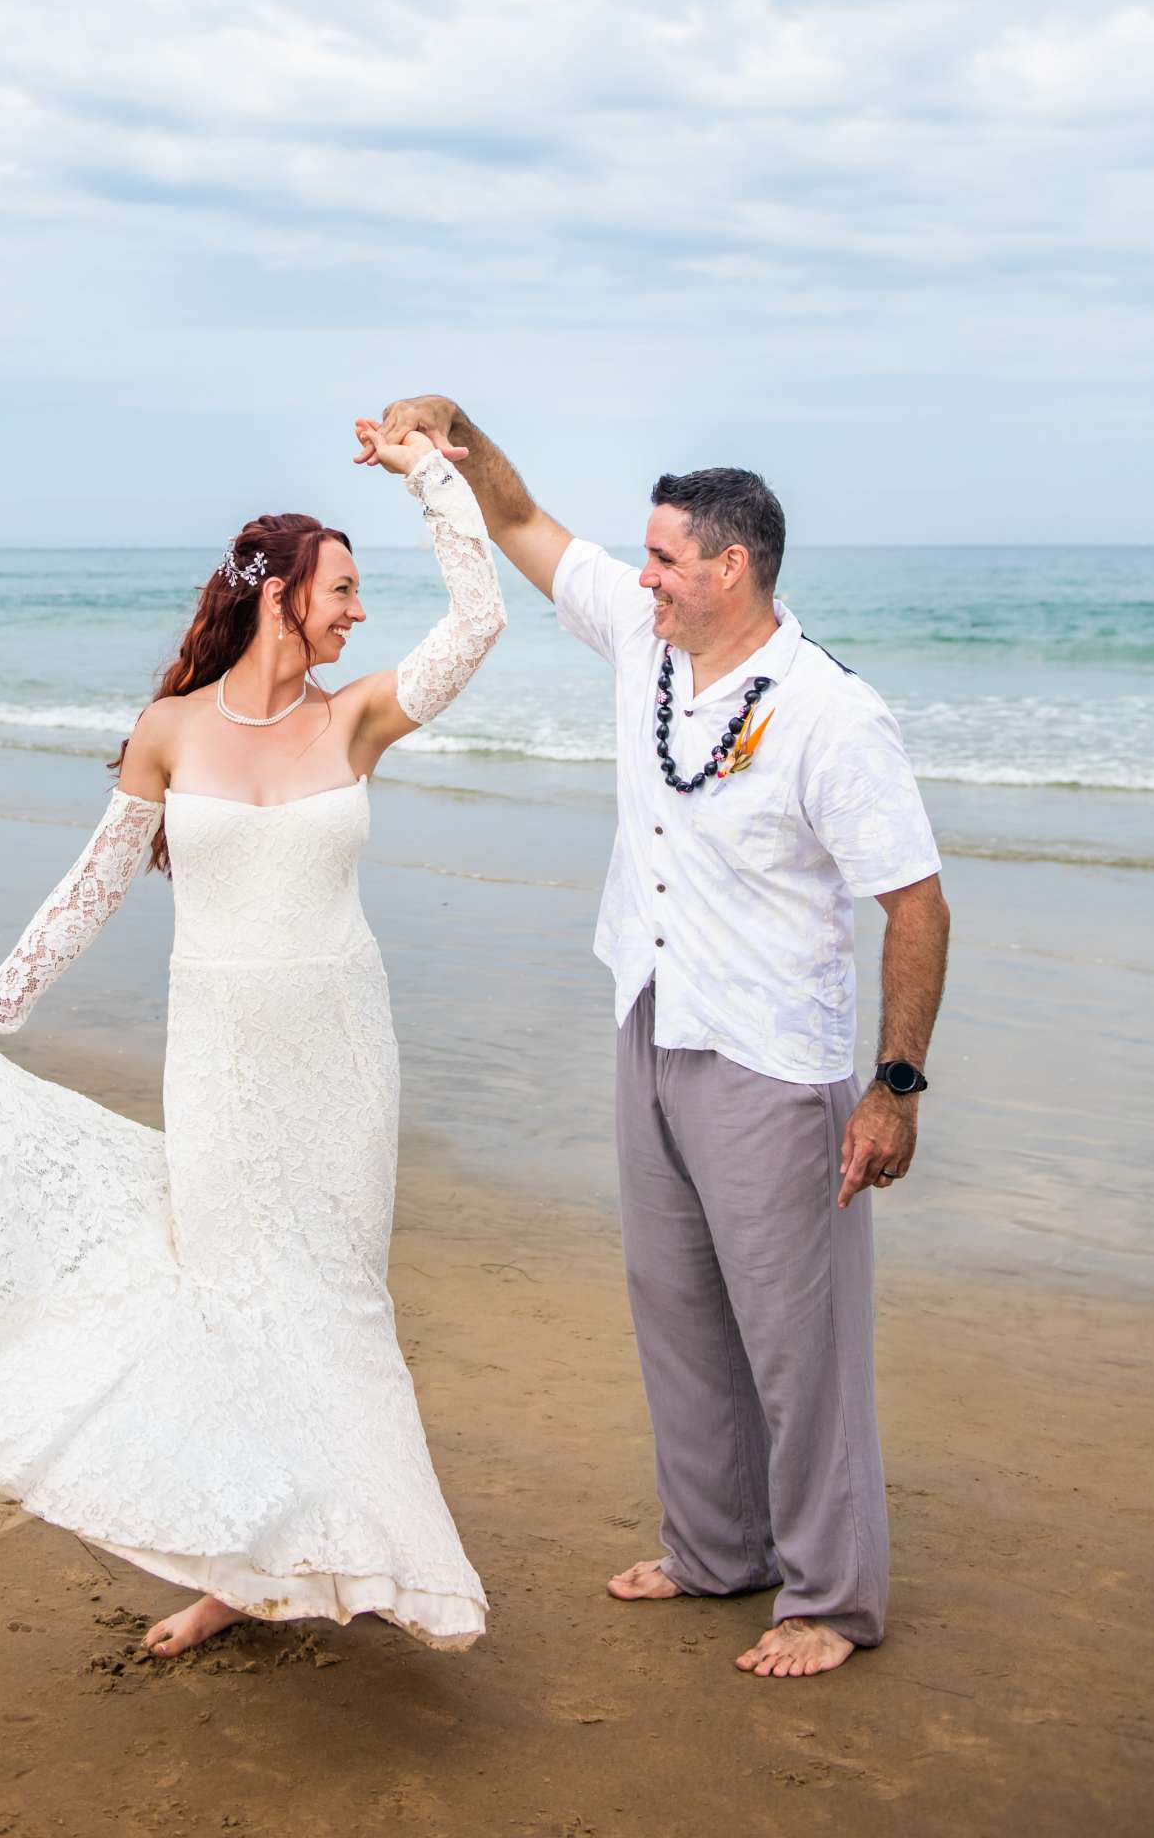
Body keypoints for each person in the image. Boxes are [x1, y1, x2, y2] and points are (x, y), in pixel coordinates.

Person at [0, 425, 505, 1659]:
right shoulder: (169, 730)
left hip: (342, 1053)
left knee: (336, 1299)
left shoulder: (354, 721)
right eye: (342, 590)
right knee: (236, 1299)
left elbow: (478, 627)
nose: (358, 613)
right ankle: (249, 1563)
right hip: (223, 1059)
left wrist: (430, 479)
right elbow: (85, 893)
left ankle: (366, 1555)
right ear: (281, 596)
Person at [359, 399, 950, 1679]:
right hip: (649, 1014)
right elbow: (514, 518)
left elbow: (914, 903)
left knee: (799, 1341)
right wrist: (454, 429)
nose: (645, 576)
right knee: (676, 1308)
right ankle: (714, 1549)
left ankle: (829, 1598)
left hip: (770, 1056)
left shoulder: (831, 714)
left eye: (666, 558)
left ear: (730, 568)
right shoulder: (643, 636)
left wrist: (892, 1088)